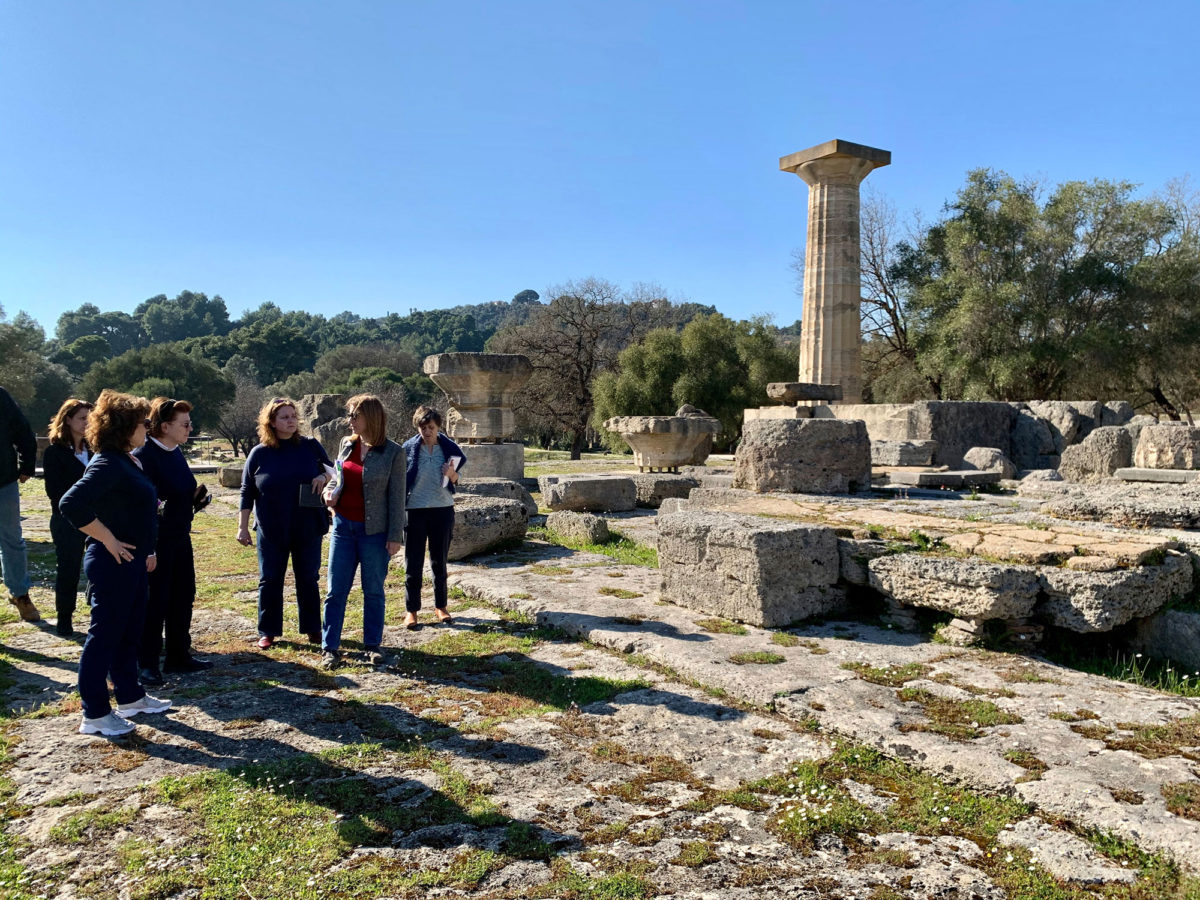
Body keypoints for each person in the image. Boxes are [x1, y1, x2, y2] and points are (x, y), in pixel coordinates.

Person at [60, 390, 171, 736]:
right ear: (126, 427)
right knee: (104, 636)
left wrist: (148, 546)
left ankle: (130, 697)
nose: (149, 427)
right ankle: (94, 713)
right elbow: (71, 503)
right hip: (112, 562)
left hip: (134, 560)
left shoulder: (125, 458)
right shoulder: (108, 461)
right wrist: (106, 537)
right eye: (144, 422)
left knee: (129, 632)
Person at [237, 398, 332, 649]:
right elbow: (247, 490)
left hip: (308, 525)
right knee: (269, 579)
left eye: (293, 416)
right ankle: (268, 631)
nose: (291, 421)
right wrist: (242, 526)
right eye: (284, 417)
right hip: (271, 528)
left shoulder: (311, 447)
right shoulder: (260, 453)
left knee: (308, 578)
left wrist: (323, 475)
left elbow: (336, 472)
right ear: (271, 422)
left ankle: (313, 629)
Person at [319, 395, 405, 668]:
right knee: (336, 591)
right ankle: (329, 648)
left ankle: (372, 644)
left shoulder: (394, 452)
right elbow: (338, 477)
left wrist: (395, 536)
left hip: (376, 533)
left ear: (371, 418)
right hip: (343, 527)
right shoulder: (346, 444)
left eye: (355, 415)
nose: (350, 421)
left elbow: (397, 497)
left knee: (373, 590)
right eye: (350, 415)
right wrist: (328, 492)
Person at [133, 398, 210, 685]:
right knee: (156, 602)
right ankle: (148, 663)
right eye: (185, 424)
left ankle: (179, 654)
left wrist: (196, 500)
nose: (190, 428)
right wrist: (149, 546)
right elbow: (145, 503)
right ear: (165, 426)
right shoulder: (146, 455)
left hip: (180, 537)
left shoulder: (175, 451)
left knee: (183, 596)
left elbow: (178, 491)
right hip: (157, 541)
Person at [401, 405, 466, 630]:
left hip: (442, 510)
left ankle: (441, 606)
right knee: (413, 563)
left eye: (431, 427)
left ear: (439, 427)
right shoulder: (408, 449)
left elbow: (456, 480)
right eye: (422, 427)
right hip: (415, 511)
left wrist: (451, 474)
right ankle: (412, 611)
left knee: (439, 563)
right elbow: (401, 479)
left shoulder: (450, 450)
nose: (426, 431)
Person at [43, 398, 93, 635]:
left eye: (90, 418)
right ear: (68, 419)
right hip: (66, 520)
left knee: (97, 567)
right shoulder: (54, 452)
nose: (87, 423)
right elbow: (54, 492)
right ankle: (64, 618)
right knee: (68, 569)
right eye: (82, 418)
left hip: (96, 518)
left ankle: (98, 614)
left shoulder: (95, 449)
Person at [0, 385, 39, 622]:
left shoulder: (1, 396)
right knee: (12, 540)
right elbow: (23, 430)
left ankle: (21, 596)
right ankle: (20, 595)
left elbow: (22, 430)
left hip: (3, 480)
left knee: (12, 540)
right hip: (4, 479)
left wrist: (27, 465)